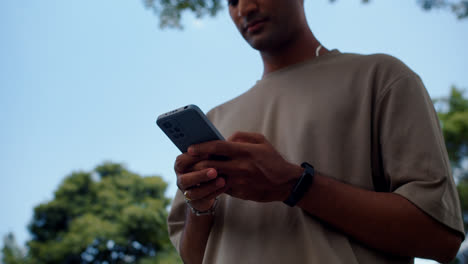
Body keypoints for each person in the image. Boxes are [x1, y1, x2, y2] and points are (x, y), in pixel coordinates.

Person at [167, 0, 465, 263]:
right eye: (232, 2)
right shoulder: (216, 118)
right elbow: (194, 257)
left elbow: (440, 237)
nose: (245, 8)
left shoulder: (381, 77)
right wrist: (201, 205)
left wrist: (296, 186)